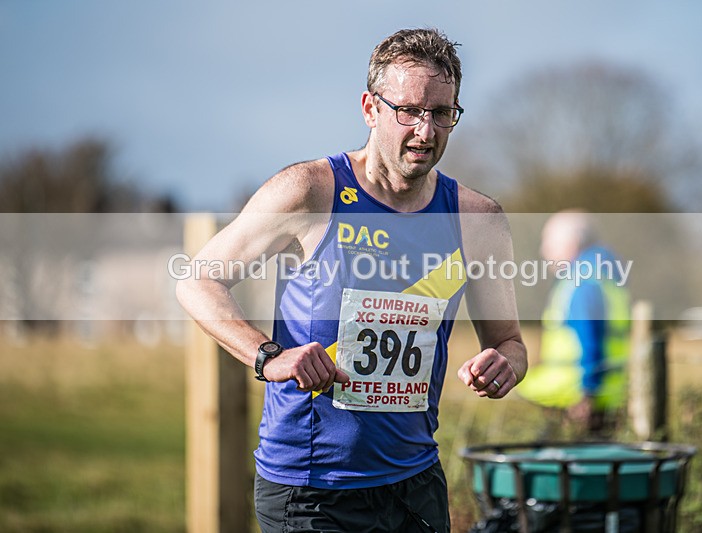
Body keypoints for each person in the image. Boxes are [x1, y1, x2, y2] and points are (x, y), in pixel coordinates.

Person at [176, 28, 527, 533]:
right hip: (311, 487)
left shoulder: (477, 218)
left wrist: (505, 366)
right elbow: (197, 282)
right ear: (370, 108)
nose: (425, 131)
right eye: (408, 110)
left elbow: (511, 343)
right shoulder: (309, 192)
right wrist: (269, 356)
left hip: (415, 482)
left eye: (441, 113)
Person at [516, 210, 631, 436]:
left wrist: (587, 391)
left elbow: (591, 340)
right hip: (606, 392)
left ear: (573, 242)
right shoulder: (603, 277)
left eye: (549, 241)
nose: (544, 251)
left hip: (576, 394)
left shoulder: (582, 283)